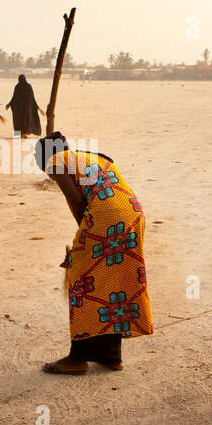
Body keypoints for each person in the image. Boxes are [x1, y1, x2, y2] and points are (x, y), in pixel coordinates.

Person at [36, 132, 152, 374]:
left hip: (107, 222)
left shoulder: (56, 161)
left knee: (82, 283)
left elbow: (77, 202)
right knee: (112, 284)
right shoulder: (96, 157)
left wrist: (83, 238)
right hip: (133, 217)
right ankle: (111, 356)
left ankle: (77, 359)